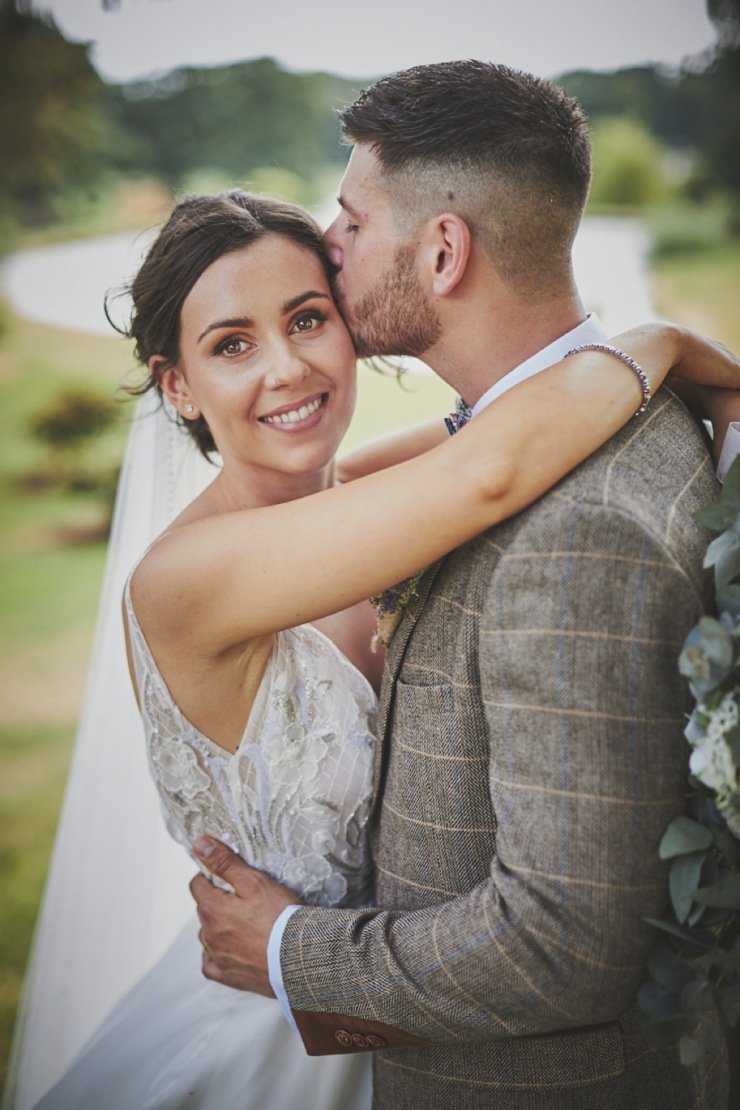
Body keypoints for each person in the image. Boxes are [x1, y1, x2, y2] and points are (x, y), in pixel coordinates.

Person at [8, 173, 735, 1110]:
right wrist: (658, 339)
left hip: (417, 1009)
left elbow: (506, 415)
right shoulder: (187, 581)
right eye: (233, 346)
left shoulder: (356, 493)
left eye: (308, 319)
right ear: (178, 387)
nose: (288, 369)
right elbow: (492, 469)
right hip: (273, 1035)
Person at [186, 63, 736, 1109]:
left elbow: (562, 947)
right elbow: (470, 459)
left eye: (350, 220)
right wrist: (649, 339)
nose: (329, 246)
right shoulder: (591, 421)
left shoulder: (573, 533)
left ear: (441, 251)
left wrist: (286, 949)